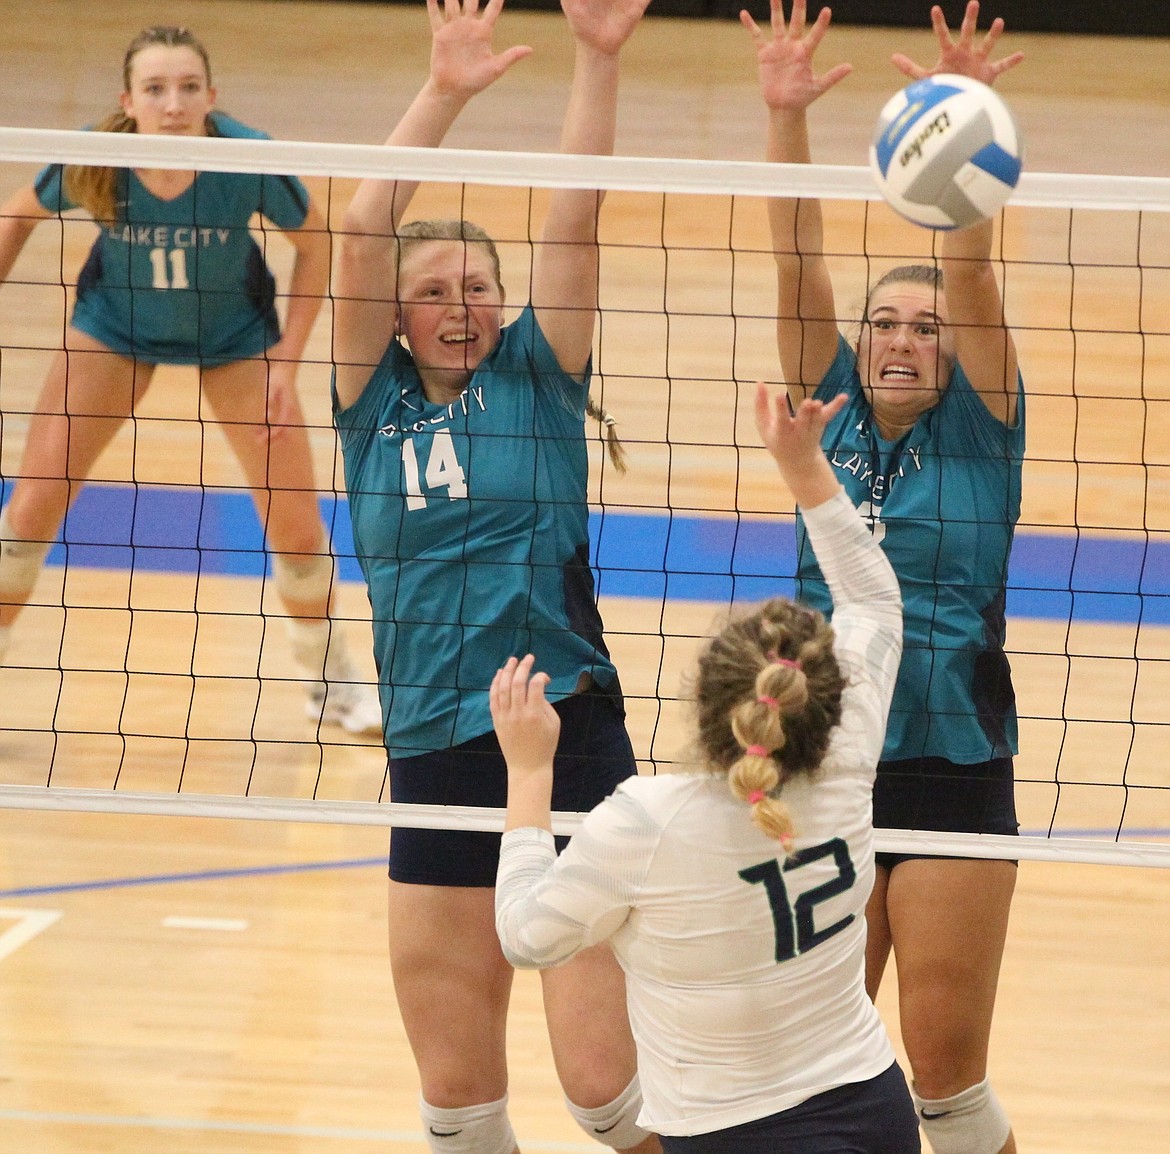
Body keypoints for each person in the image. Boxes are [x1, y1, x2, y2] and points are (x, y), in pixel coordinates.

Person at [330, 1, 658, 1152]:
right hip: (431, 747)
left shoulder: (538, 375)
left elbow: (575, 218)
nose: (459, 306)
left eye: (478, 286)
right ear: (398, 318)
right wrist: (446, 89)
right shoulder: (369, 410)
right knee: (461, 1106)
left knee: (609, 1095)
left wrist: (594, 56)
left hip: (565, 733)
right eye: (433, 292)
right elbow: (362, 222)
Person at [494, 386, 918, 1154]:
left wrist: (528, 772)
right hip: (873, 1109)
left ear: (707, 703)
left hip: (730, 1134)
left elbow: (526, 937)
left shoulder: (645, 821)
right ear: (820, 703)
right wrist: (806, 469)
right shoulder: (846, 759)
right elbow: (876, 604)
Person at [743, 2, 1025, 1151]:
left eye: (926, 326)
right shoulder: (828, 409)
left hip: (954, 774)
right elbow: (793, 251)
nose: (904, 337)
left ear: (956, 350)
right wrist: (784, 112)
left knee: (946, 1087)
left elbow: (971, 264)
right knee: (809, 1068)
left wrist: (966, 121)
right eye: (885, 323)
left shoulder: (982, 425)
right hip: (823, 769)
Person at [0, 24, 381, 735]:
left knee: (298, 531)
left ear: (211, 96)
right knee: (27, 517)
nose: (172, 105)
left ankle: (334, 685)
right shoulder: (99, 158)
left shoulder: (247, 159)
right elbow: (19, 209)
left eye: (187, 88)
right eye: (155, 89)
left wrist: (287, 362)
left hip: (235, 339)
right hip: (115, 330)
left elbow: (317, 243)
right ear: (128, 101)